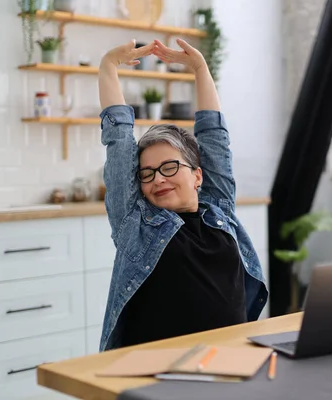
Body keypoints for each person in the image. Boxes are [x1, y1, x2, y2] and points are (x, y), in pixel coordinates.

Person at [97, 38, 268, 351]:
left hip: (227, 358)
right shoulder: (136, 224)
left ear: (198, 175)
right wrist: (108, 67)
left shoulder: (220, 210)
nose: (158, 179)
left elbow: (214, 137)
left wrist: (200, 68)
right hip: (156, 370)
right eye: (147, 173)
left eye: (169, 167)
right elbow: (119, 143)